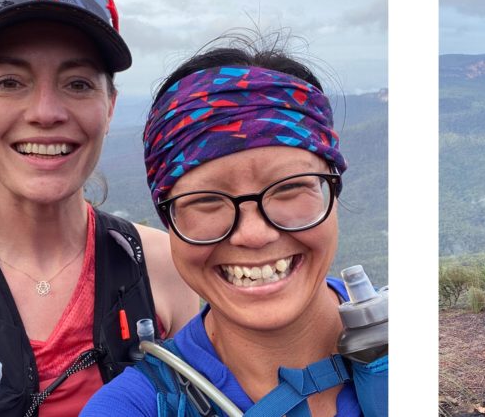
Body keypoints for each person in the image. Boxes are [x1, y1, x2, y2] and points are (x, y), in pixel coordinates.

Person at [0, 0, 199, 416]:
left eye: (78, 84)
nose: (45, 112)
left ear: (110, 106)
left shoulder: (170, 270)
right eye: (9, 83)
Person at [81, 41, 387, 417]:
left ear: (332, 191)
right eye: (206, 200)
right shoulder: (134, 408)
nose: (254, 234)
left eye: (290, 187)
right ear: (169, 221)